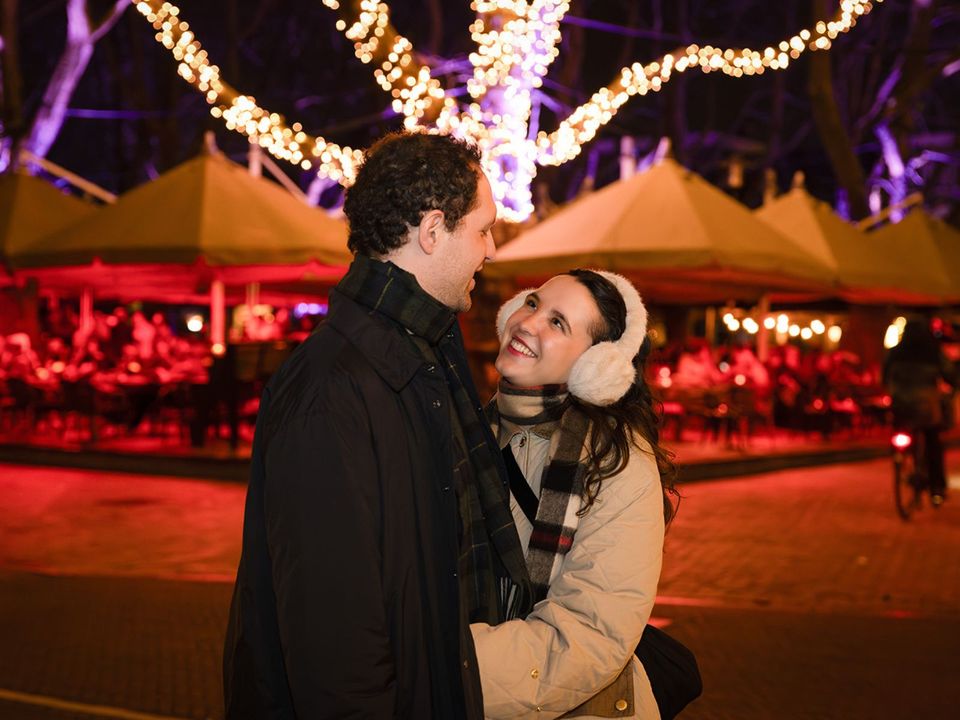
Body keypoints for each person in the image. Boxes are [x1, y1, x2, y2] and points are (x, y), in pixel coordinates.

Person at [222, 131, 533, 719]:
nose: (491, 250)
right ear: (433, 229)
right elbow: (333, 637)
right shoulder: (332, 389)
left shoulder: (426, 351)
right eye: (483, 229)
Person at [472, 269, 680, 718]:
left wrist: (443, 671)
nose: (528, 322)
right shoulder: (467, 431)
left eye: (558, 323)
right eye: (532, 303)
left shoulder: (619, 464)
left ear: (596, 366)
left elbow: (588, 635)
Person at [883, 318, 956, 505]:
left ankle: (900, 458)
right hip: (927, 408)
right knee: (933, 443)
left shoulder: (895, 352)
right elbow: (950, 375)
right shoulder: (933, 352)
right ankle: (936, 489)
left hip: (900, 406)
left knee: (900, 431)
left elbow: (884, 376)